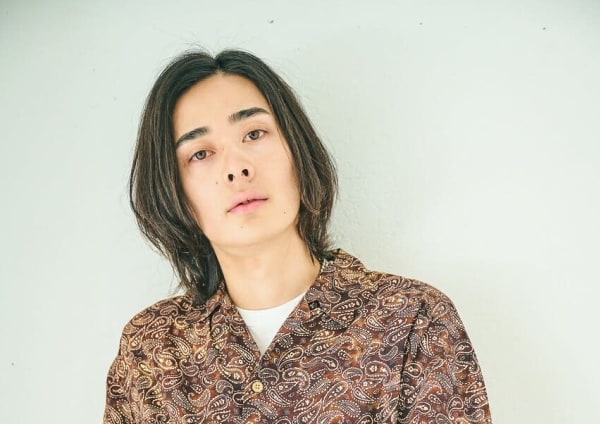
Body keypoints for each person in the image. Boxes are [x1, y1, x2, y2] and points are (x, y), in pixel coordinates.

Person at [104, 49, 492, 423]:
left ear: (297, 149)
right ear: (172, 190)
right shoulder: (150, 351)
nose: (236, 168)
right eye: (200, 154)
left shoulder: (411, 320)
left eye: (254, 134)